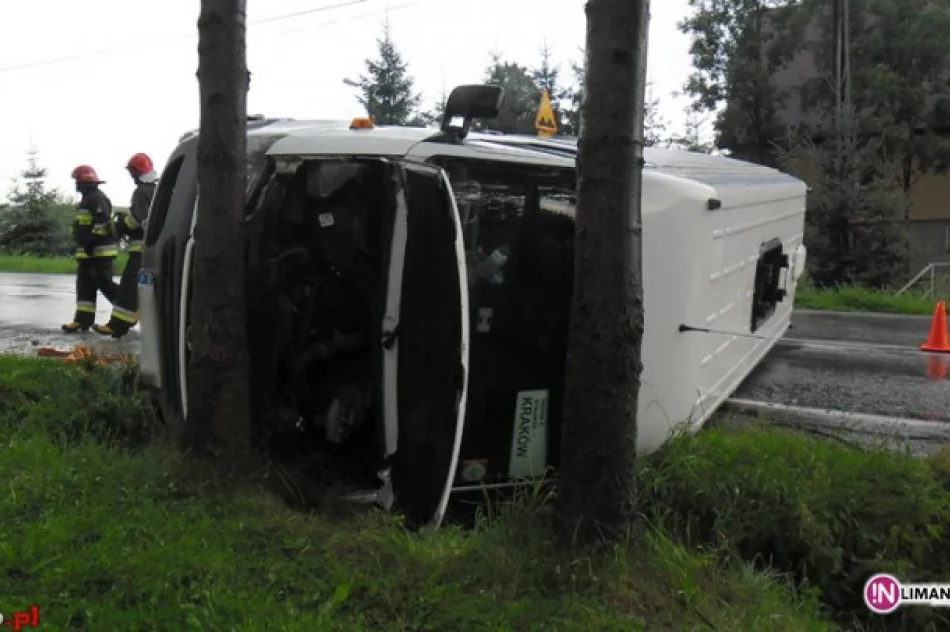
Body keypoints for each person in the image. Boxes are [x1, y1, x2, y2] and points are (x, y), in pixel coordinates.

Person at [93, 153, 159, 338]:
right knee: (145, 286)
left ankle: (118, 324)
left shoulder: (141, 191)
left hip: (141, 249)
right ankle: (134, 315)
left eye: (131, 171)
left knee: (129, 286)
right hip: (155, 248)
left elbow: (138, 219)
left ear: (136, 172)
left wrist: (119, 225)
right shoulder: (158, 188)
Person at [61, 165, 119, 333]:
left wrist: (89, 245)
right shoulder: (87, 199)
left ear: (86, 183)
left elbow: (102, 225)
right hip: (88, 253)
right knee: (84, 286)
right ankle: (82, 320)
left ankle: (128, 310)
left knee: (105, 283)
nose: (76, 185)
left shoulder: (96, 199)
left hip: (100, 252)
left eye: (78, 182)